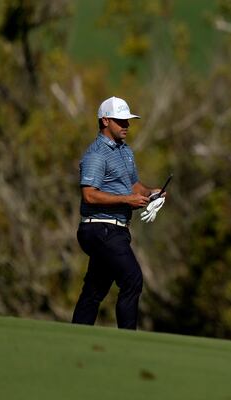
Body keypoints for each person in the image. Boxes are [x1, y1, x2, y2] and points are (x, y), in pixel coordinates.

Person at [72, 96, 162, 329]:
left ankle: (74, 335)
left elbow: (133, 186)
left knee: (94, 290)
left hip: (115, 229)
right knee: (132, 279)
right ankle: (127, 341)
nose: (127, 126)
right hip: (99, 228)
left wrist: (152, 192)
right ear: (105, 121)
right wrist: (127, 200)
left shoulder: (125, 152)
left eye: (128, 121)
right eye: (121, 121)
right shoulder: (96, 154)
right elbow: (89, 195)